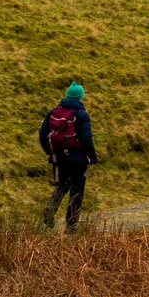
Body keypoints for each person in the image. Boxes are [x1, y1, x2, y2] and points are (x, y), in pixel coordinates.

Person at [39, 81, 98, 233]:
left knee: (61, 185)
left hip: (58, 158)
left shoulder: (53, 113)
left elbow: (42, 134)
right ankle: (71, 226)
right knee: (76, 191)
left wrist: (50, 152)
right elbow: (86, 138)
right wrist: (92, 156)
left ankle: (50, 208)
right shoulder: (81, 115)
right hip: (78, 159)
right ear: (80, 97)